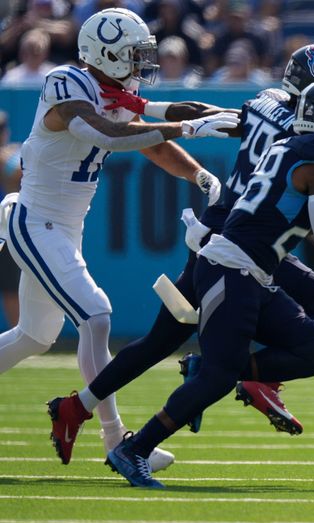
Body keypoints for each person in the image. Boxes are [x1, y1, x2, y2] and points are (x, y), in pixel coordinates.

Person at [47, 44, 314, 463]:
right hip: (244, 244)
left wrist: (147, 104)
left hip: (229, 232)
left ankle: (77, 406)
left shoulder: (273, 109)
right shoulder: (312, 139)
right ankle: (242, 375)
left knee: (163, 339)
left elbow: (212, 116)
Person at [0, 8, 238, 471]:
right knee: (97, 315)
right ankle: (116, 440)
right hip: (34, 221)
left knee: (34, 335)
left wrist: (202, 175)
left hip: (65, 226)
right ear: (105, 53)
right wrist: (187, 124)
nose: (139, 65)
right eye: (133, 55)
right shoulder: (65, 82)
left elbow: (151, 137)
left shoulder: (117, 90)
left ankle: (112, 437)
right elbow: (104, 133)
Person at [0, 111, 22, 327]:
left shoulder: (14, 156)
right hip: (5, 229)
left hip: (5, 229)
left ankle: (18, 334)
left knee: (11, 286)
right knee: (10, 287)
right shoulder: (11, 156)